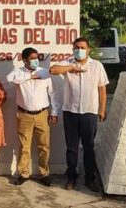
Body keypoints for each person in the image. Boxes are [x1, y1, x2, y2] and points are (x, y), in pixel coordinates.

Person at [50, 37, 108, 192]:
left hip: (89, 112)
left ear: (89, 49)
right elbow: (53, 70)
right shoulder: (68, 63)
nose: (79, 50)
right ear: (72, 49)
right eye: (76, 47)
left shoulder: (97, 66)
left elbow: (102, 89)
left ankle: (90, 178)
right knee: (72, 148)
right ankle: (71, 177)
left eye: (83, 47)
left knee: (89, 147)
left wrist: (102, 109)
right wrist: (70, 68)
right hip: (70, 112)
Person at [6, 47, 61, 187]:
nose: (36, 61)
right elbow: (9, 79)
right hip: (24, 114)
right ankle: (24, 173)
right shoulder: (18, 72)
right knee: (24, 146)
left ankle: (44, 173)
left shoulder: (44, 72)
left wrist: (54, 113)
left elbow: (53, 94)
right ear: (24, 60)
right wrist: (30, 76)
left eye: (37, 58)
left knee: (44, 146)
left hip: (42, 114)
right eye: (32, 58)